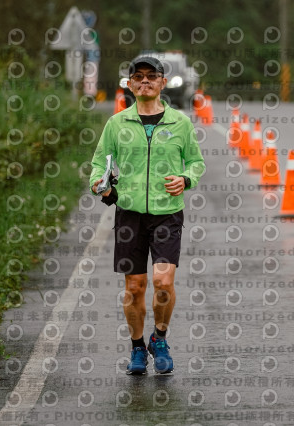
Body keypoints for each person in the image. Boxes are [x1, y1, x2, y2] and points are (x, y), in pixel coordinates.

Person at [89, 56, 205, 375]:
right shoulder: (117, 124)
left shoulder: (180, 123)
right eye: (137, 77)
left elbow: (196, 163)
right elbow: (99, 164)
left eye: (151, 76)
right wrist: (98, 184)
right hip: (129, 214)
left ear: (162, 83)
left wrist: (186, 178)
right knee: (135, 287)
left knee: (163, 283)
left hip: (168, 213)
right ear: (129, 84)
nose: (144, 82)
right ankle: (138, 348)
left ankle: (160, 338)